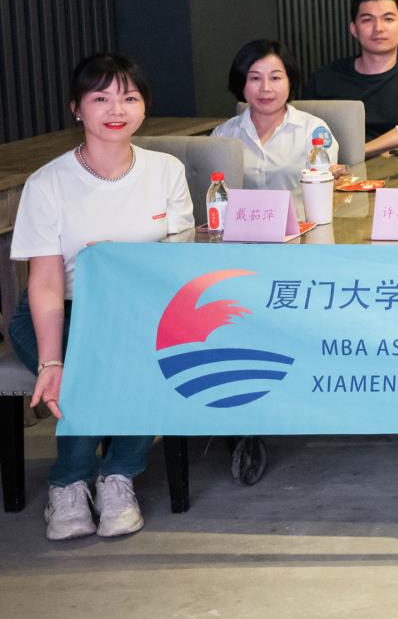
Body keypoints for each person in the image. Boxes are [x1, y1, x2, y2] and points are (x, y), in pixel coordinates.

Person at [11, 54, 195, 541]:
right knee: (89, 363)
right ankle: (70, 484)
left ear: (144, 107)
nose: (116, 109)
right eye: (100, 98)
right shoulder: (47, 184)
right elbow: (45, 284)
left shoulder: (166, 171)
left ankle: (117, 476)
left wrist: (121, 261)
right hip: (62, 309)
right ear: (77, 108)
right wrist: (52, 361)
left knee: (150, 353)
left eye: (129, 98)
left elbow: (178, 262)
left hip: (138, 308)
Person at [304, 0, 398, 153]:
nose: (378, 28)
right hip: (335, 167)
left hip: (396, 166)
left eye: (388, 19)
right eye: (367, 20)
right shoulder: (324, 79)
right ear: (354, 29)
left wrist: (360, 152)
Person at [212, 41, 343, 191]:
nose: (265, 88)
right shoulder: (223, 134)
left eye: (275, 78)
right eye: (255, 78)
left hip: (300, 208)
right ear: (241, 83)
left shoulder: (313, 132)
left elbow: (323, 192)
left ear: (290, 81)